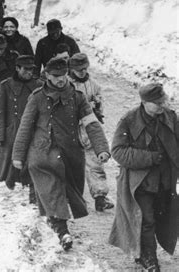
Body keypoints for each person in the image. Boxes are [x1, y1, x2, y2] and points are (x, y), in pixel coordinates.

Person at [12, 56, 110, 251]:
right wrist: (18, 155)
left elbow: (91, 123)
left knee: (69, 190)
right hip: (42, 154)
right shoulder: (37, 97)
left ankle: (57, 221)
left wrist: (101, 148)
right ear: (47, 75)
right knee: (51, 189)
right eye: (56, 75)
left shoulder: (78, 97)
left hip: (70, 153)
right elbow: (25, 127)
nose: (61, 79)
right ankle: (62, 230)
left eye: (64, 74)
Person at [109, 83, 178, 271]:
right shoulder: (128, 120)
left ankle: (142, 252)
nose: (161, 106)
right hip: (140, 183)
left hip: (164, 180)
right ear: (144, 102)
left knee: (160, 217)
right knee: (146, 220)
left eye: (162, 101)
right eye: (157, 103)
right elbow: (118, 151)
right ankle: (150, 258)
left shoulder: (170, 117)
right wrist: (148, 157)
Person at [69, 53, 114, 212]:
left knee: (94, 162)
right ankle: (69, 198)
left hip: (88, 127)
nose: (81, 72)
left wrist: (96, 106)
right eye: (77, 69)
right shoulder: (66, 84)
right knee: (69, 163)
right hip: (70, 128)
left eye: (83, 69)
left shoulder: (93, 85)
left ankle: (100, 197)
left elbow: (99, 106)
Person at [0, 55, 42, 199]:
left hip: (34, 130)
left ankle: (34, 191)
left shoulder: (39, 85)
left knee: (34, 161)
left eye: (31, 69)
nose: (29, 73)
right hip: (13, 131)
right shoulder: (6, 86)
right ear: (17, 68)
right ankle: (13, 180)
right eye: (25, 69)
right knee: (13, 162)